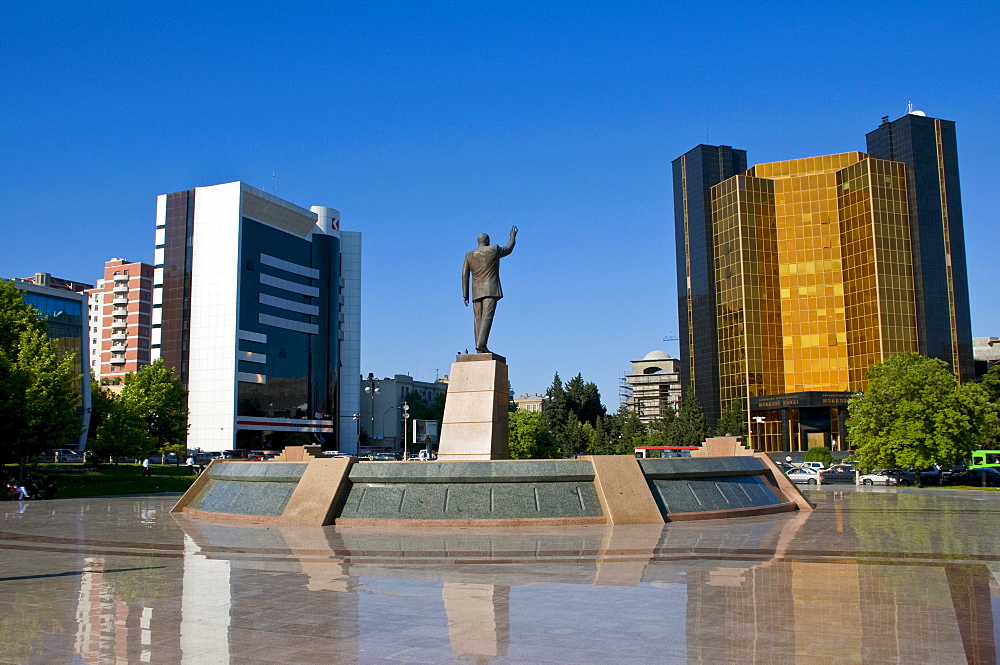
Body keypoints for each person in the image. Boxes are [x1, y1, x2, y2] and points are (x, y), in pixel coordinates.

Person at [462, 226, 517, 354]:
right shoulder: (493, 249)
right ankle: (481, 344)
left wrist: (465, 293)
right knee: (487, 317)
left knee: (478, 319)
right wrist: (512, 237)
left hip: (476, 291)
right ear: (487, 241)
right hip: (490, 289)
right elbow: (508, 249)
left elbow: (464, 274)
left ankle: (479, 346)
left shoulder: (469, 255)